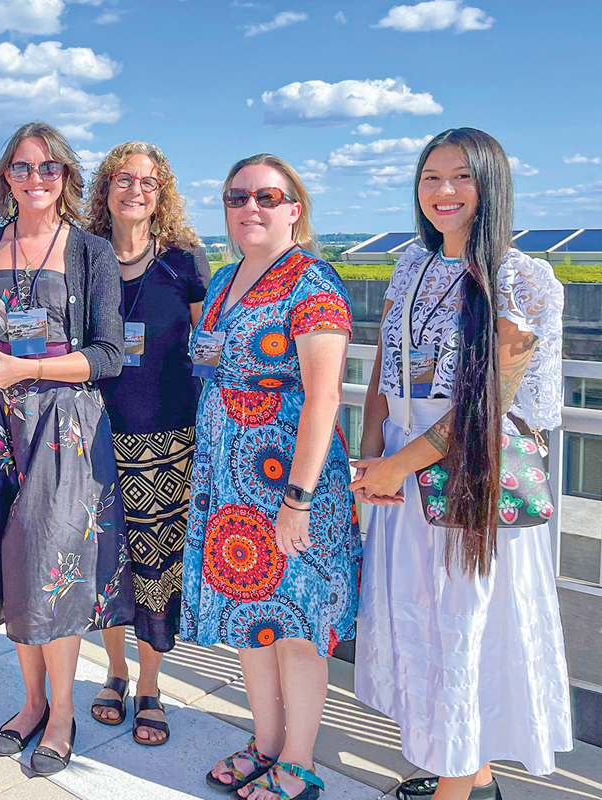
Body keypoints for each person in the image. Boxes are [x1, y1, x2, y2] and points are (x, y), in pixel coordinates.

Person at [351, 129, 571, 800]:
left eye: (460, 177)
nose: (443, 192)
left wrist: (400, 467)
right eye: (430, 178)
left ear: (490, 185)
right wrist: (371, 450)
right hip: (401, 468)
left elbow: (490, 399)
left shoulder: (519, 276)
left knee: (462, 629)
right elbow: (386, 369)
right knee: (426, 624)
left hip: (469, 476)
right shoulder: (409, 267)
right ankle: (472, 775)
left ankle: (455, 788)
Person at [0, 121, 133, 776]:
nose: (35, 179)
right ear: (5, 177)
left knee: (52, 564)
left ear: (66, 178)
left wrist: (26, 371)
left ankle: (62, 715)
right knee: (7, 560)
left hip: (64, 426)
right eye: (22, 168)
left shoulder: (91, 254)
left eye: (48, 168)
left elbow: (109, 355)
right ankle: (28, 704)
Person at [185, 154, 360, 800]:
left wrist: (299, 501)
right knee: (251, 624)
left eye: (266, 196)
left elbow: (323, 397)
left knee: (297, 630)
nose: (249, 208)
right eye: (237, 197)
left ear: (295, 209)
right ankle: (264, 743)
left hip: (289, 489)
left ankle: (299, 761)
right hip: (231, 491)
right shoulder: (228, 279)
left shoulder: (312, 284)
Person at [82, 142, 209, 746]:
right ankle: (114, 672)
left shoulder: (184, 262)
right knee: (108, 563)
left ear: (163, 195)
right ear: (105, 188)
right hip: (94, 433)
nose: (136, 190)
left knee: (157, 570)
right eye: (124, 179)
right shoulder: (83, 256)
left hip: (168, 439)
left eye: (149, 182)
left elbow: (209, 345)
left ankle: (152, 684)